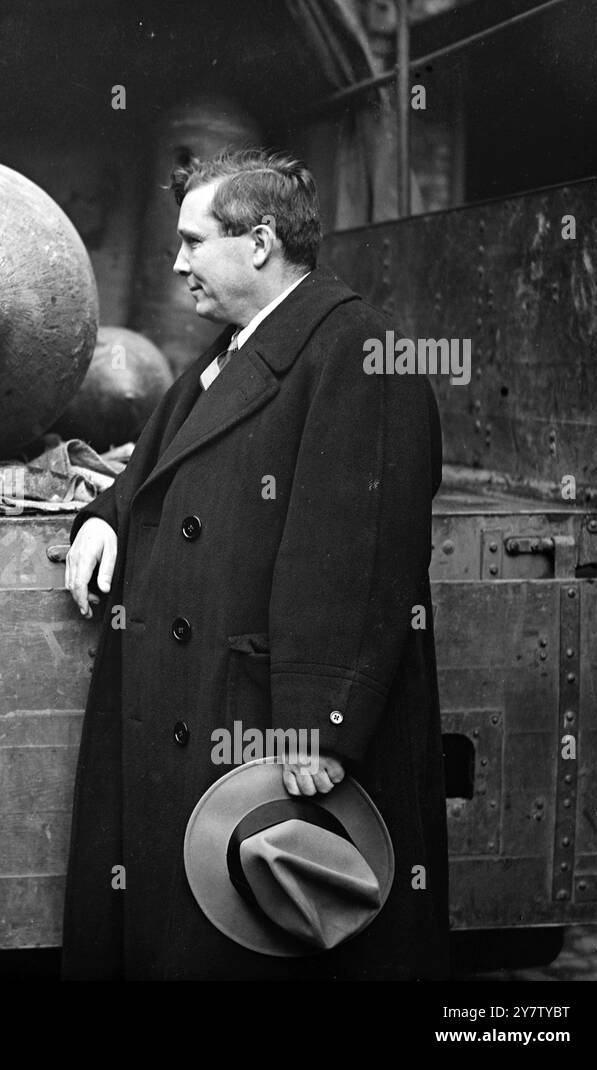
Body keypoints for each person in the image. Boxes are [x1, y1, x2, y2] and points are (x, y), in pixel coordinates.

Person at [61, 148, 449, 980]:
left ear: (261, 242)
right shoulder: (228, 352)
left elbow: (360, 555)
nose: (176, 264)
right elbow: (154, 468)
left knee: (261, 951)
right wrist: (106, 516)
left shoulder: (362, 352)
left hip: (271, 731)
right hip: (202, 708)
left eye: (193, 242)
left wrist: (320, 722)